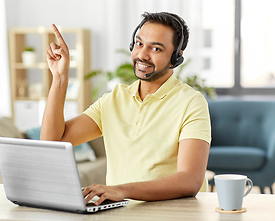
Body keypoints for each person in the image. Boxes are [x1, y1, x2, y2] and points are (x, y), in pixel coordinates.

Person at [41, 12, 211, 206]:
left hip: (170, 215)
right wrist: (60, 77)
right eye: (139, 44)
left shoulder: (192, 102)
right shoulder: (114, 99)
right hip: (121, 215)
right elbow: (51, 143)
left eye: (155, 48)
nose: (142, 55)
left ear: (176, 58)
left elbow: (190, 180)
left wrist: (121, 190)